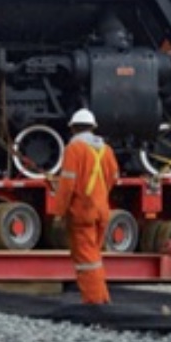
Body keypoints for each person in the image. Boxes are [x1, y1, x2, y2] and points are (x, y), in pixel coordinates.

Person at [54, 108, 120, 304]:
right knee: (94, 257)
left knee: (86, 260)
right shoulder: (106, 150)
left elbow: (67, 185)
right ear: (93, 127)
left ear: (73, 128)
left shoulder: (74, 149)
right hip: (102, 210)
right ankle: (103, 298)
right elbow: (114, 177)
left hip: (82, 211)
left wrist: (59, 212)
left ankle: (94, 302)